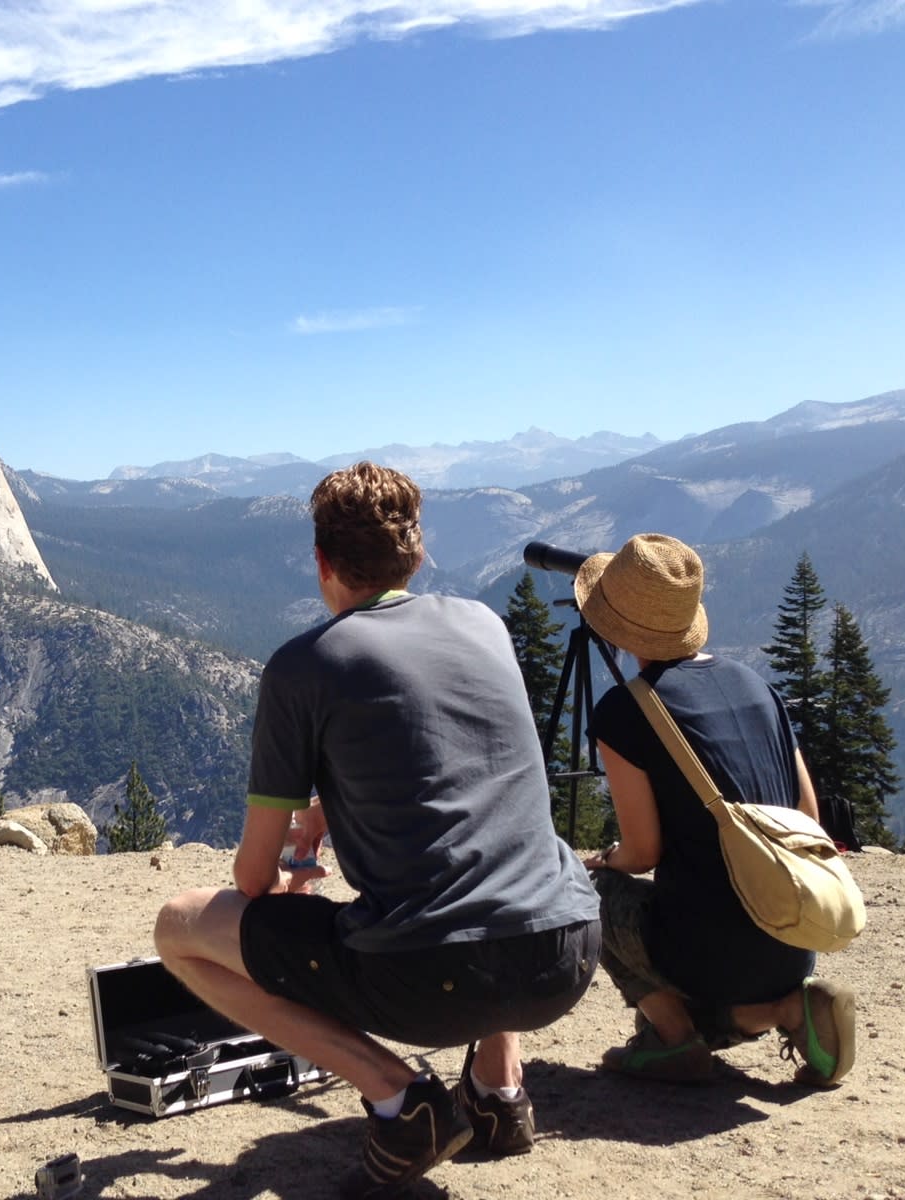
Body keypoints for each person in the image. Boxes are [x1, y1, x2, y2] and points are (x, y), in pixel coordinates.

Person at [154, 463, 601, 1199]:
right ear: (417, 555)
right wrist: (333, 807)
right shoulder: (484, 624)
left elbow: (251, 882)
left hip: (431, 977)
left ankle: (400, 1099)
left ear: (323, 564)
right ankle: (498, 1094)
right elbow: (453, 778)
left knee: (177, 927)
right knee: (491, 857)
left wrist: (293, 879)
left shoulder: (305, 666)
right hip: (566, 952)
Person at [576, 533, 856, 1086]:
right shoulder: (757, 685)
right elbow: (806, 810)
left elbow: (642, 853)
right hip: (792, 931)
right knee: (715, 952)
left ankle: (674, 1037)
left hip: (704, 953)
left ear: (616, 624)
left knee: (584, 891)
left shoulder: (625, 711)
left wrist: (603, 860)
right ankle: (784, 1010)